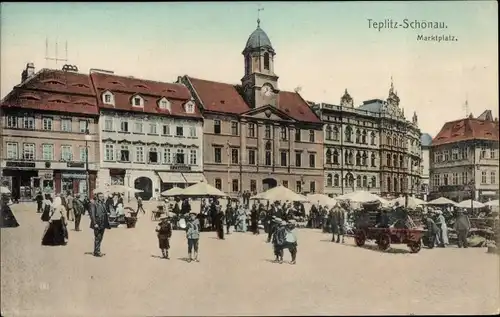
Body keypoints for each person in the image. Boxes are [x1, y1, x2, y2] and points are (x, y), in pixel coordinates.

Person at [89, 191, 110, 257]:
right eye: (100, 196)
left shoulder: (103, 203)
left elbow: (104, 212)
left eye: (102, 196)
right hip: (97, 223)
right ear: (97, 197)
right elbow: (92, 215)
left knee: (101, 237)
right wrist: (94, 223)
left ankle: (97, 250)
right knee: (97, 237)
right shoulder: (93, 204)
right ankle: (97, 252)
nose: (102, 197)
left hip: (103, 223)